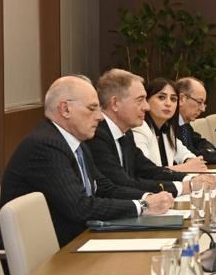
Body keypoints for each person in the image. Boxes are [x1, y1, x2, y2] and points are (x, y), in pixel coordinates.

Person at [0, 75, 173, 247]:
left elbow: (105, 188)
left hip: (75, 240)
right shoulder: (46, 145)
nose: (100, 117)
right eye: (92, 108)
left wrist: (149, 198)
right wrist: (143, 206)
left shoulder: (77, 142)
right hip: (50, 252)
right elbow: (80, 207)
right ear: (65, 109)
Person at [87, 69, 207, 197]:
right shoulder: (97, 135)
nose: (146, 107)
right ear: (115, 103)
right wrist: (184, 186)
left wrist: (191, 179)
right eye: (140, 100)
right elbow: (122, 184)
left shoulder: (126, 134)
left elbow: (149, 171)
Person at [134, 78, 216, 169]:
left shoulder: (167, 129)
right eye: (161, 97)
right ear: (147, 100)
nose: (168, 103)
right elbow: (146, 171)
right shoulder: (139, 129)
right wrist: (185, 167)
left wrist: (190, 161)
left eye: (173, 99)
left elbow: (184, 153)